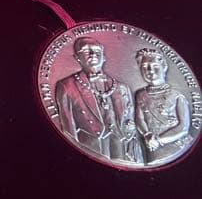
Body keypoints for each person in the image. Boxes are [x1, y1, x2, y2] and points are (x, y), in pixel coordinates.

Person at [55, 36, 142, 164]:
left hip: (123, 152)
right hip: (90, 150)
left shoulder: (122, 88)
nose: (93, 54)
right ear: (77, 58)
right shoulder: (66, 86)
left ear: (104, 57)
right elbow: (68, 129)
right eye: (86, 51)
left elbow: (130, 123)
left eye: (97, 51)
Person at [135, 48, 191, 164]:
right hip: (152, 150)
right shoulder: (140, 95)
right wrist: (146, 134)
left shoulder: (176, 95)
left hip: (176, 147)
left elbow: (184, 127)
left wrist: (158, 140)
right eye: (144, 67)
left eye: (154, 65)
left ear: (164, 66)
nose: (150, 70)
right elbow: (139, 119)